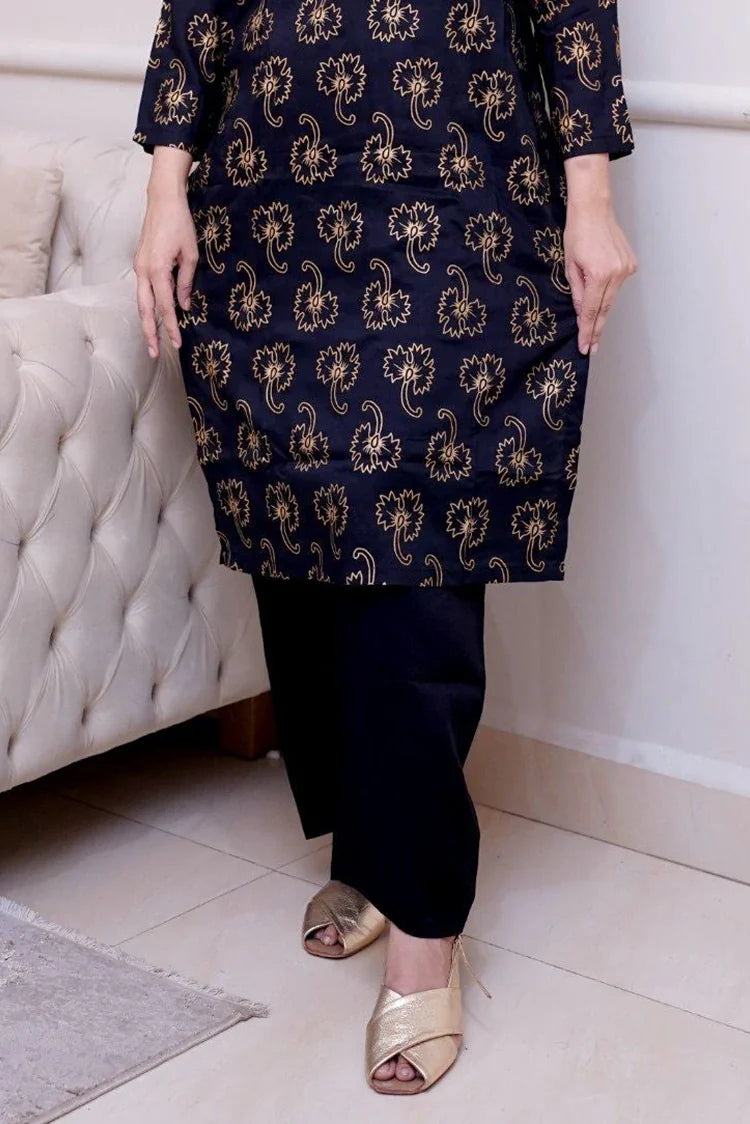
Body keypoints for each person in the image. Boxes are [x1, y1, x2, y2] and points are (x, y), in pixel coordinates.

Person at [132, 0, 637, 1095]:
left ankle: (425, 928)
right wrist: (167, 183)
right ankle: (366, 848)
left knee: (418, 554)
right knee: (298, 531)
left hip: (455, 190)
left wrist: (590, 195)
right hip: (265, 190)